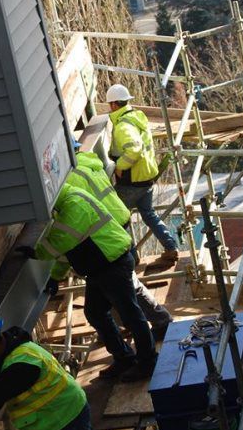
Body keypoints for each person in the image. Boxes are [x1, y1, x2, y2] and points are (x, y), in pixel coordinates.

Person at [34, 181, 157, 382]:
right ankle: (124, 357)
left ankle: (148, 362)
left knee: (130, 314)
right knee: (95, 312)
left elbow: (60, 242)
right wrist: (56, 276)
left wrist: (35, 252)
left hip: (112, 264)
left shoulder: (73, 206)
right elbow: (69, 251)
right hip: (101, 267)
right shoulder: (65, 204)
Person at [68, 144, 173, 343]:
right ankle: (132, 324)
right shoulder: (89, 164)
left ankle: (159, 321)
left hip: (106, 228)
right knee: (120, 283)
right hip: (115, 221)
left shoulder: (72, 177)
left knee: (125, 283)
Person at [106, 84, 179, 268]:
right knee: (148, 214)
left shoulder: (123, 126)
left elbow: (134, 149)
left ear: (114, 105)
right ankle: (171, 247)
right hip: (147, 179)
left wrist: (120, 166)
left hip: (132, 182)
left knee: (118, 217)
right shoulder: (137, 118)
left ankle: (132, 258)